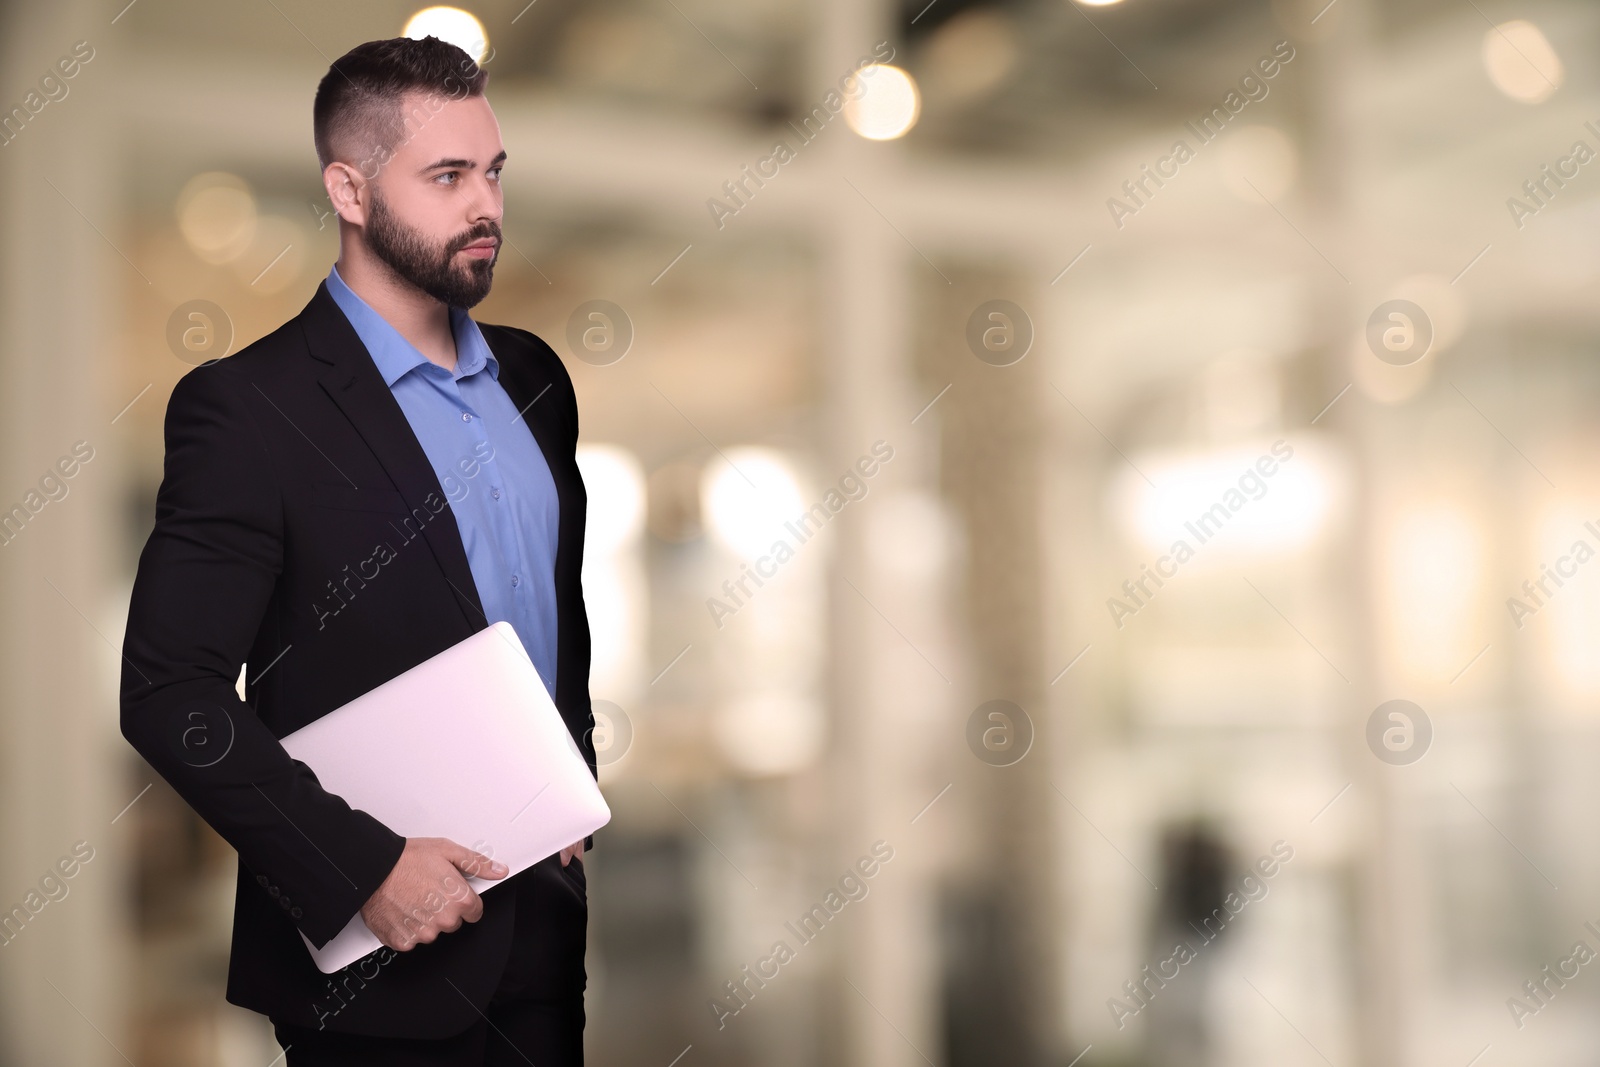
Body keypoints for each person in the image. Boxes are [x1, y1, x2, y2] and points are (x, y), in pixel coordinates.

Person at [119, 35, 596, 1065]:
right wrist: (363, 868)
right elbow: (170, 692)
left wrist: (573, 777)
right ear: (347, 187)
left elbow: (554, 600)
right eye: (447, 176)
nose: (487, 207)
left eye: (494, 173)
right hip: (380, 977)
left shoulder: (535, 379)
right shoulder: (248, 409)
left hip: (548, 940)